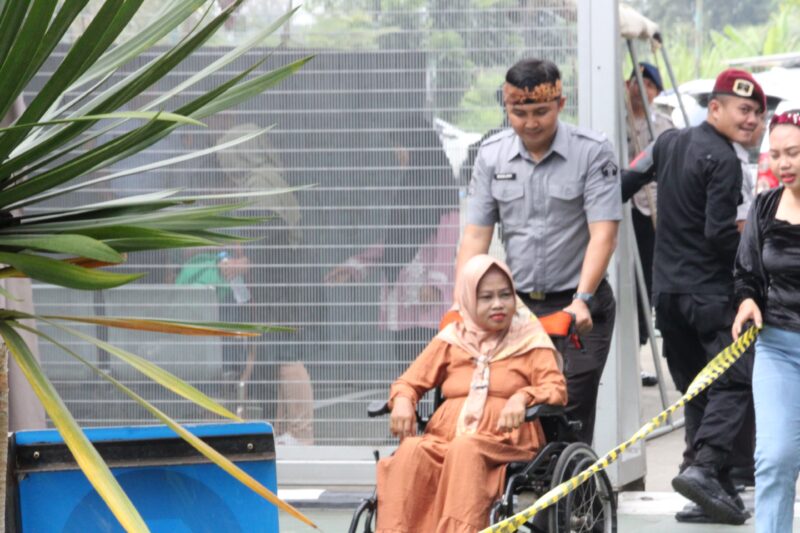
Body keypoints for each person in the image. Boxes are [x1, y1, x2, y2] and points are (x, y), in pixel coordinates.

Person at [621, 68, 765, 525]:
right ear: (715, 108)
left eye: (757, 114)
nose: (751, 120)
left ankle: (708, 489)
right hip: (709, 296)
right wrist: (754, 264)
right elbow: (719, 233)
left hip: (667, 295)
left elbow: (626, 181)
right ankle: (704, 468)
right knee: (735, 380)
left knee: (697, 388)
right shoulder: (724, 159)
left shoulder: (667, 142)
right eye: (743, 109)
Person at [457, 58, 621, 444]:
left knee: (566, 409)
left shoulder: (592, 152)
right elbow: (476, 236)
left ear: (560, 104)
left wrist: (582, 299)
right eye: (520, 113)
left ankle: (570, 481)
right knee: (513, 408)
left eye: (541, 112)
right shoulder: (491, 155)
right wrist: (463, 304)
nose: (530, 123)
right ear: (506, 107)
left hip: (578, 308)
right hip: (518, 309)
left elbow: (603, 234)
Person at [376, 254, 567, 532]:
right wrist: (403, 400)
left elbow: (556, 388)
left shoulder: (530, 340)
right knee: (411, 450)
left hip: (504, 441)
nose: (498, 304)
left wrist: (521, 397)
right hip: (445, 438)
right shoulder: (452, 339)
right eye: (486, 297)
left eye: (505, 295)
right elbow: (409, 381)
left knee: (464, 449)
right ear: (468, 300)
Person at [732, 109, 800, 533]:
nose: (783, 163)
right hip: (778, 348)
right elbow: (746, 274)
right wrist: (747, 302)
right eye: (775, 154)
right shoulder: (765, 206)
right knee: (775, 458)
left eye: (793, 152)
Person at [625, 62, 674, 351]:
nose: (642, 89)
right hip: (624, 208)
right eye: (638, 82)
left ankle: (641, 337)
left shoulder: (662, 125)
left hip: (650, 209)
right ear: (627, 85)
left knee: (647, 273)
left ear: (656, 92)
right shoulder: (616, 117)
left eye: (650, 85)